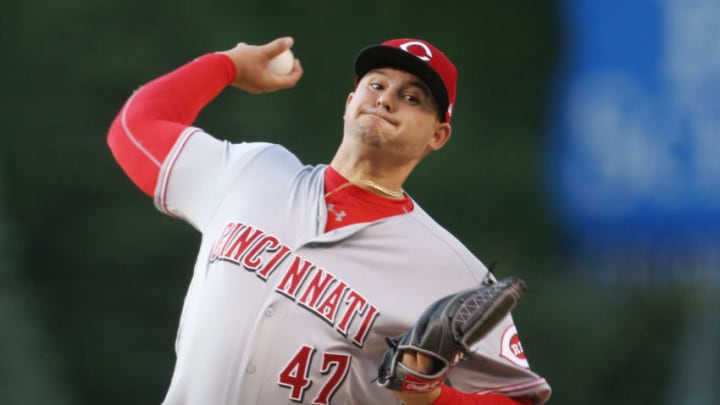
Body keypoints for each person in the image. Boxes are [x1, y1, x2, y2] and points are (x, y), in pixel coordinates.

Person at [107, 36, 551, 405]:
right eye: (376, 84)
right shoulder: (254, 171)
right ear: (349, 101)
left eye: (412, 97)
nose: (386, 99)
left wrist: (432, 396)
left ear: (438, 135)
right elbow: (135, 127)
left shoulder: (453, 271)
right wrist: (226, 65)